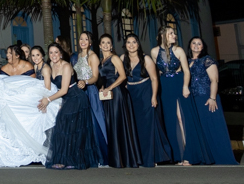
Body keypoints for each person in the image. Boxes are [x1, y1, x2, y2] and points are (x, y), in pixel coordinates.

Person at [151, 26, 213, 165]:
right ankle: (177, 155)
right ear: (163, 36)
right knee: (170, 119)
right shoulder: (154, 51)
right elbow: (156, 72)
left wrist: (185, 87)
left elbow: (186, 71)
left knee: (182, 118)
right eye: (171, 33)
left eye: (174, 33)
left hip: (179, 83)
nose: (174, 35)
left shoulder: (178, 50)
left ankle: (188, 155)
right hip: (164, 86)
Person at [39, 43, 100, 170]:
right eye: (51, 52)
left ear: (61, 53)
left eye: (56, 52)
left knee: (64, 124)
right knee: (64, 127)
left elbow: (64, 90)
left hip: (76, 97)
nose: (54, 55)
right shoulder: (50, 65)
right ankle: (64, 159)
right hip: (65, 99)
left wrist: (48, 100)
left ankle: (69, 160)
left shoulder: (66, 66)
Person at [121, 34, 171, 167]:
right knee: (135, 126)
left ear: (138, 44)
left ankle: (150, 157)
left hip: (145, 92)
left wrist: (153, 97)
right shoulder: (122, 58)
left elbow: (154, 79)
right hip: (131, 94)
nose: (131, 45)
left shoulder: (146, 58)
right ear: (125, 45)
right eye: (128, 42)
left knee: (147, 126)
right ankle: (137, 157)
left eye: (134, 42)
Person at [188, 36, 237, 165]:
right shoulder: (187, 61)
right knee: (200, 128)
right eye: (194, 43)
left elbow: (214, 80)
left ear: (203, 47)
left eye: (199, 43)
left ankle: (221, 156)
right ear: (190, 46)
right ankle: (205, 157)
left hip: (206, 98)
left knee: (213, 127)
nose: (196, 45)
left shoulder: (207, 60)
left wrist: (212, 98)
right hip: (193, 99)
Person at [98, 34, 142, 168]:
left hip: (117, 93)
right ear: (99, 46)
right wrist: (102, 87)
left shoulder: (114, 58)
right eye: (103, 42)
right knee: (110, 124)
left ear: (111, 46)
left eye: (108, 43)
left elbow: (122, 76)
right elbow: (104, 77)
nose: (106, 45)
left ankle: (123, 159)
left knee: (118, 123)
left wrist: (109, 88)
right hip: (107, 93)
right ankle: (115, 158)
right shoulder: (101, 61)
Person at [71, 31, 109, 166]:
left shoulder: (93, 56)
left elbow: (95, 77)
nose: (83, 41)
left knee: (94, 122)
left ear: (90, 42)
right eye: (81, 39)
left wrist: (85, 82)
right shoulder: (78, 56)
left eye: (86, 39)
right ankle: (86, 156)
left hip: (90, 91)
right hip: (80, 92)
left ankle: (101, 156)